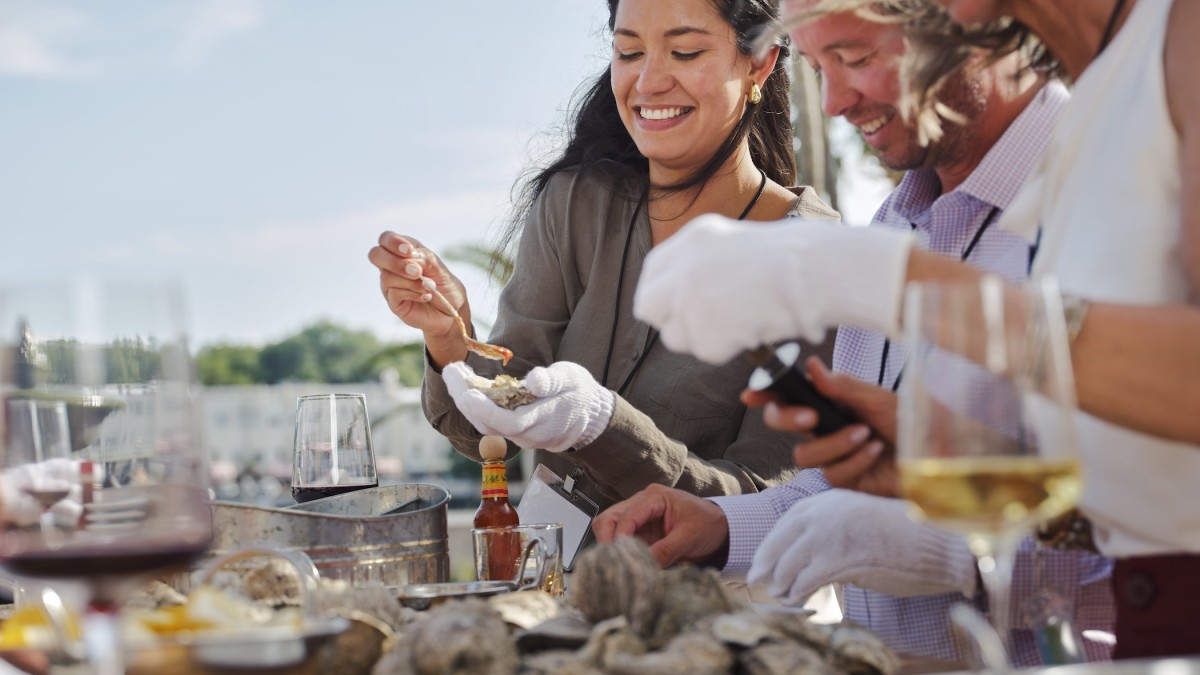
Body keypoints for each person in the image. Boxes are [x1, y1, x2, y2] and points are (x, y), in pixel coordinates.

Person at [631, 0, 1200, 659]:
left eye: (857, 56)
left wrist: (894, 285)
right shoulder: (895, 227)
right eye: (818, 67)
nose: (836, 99)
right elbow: (1103, 474)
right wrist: (730, 525)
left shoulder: (1161, 57)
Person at [367, 0, 838, 521]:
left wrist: (603, 426)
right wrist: (451, 339)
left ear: (759, 63)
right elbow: (488, 426)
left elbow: (768, 502)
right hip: (554, 588)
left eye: (684, 52)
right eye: (628, 51)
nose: (649, 81)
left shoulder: (814, 259)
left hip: (716, 597)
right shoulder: (575, 204)